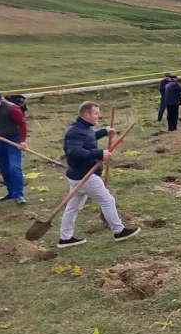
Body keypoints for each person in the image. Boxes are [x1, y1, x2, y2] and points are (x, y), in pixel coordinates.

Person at [57, 102, 140, 248]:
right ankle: (119, 231)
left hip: (78, 175)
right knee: (107, 201)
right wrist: (99, 153)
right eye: (96, 113)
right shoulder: (74, 132)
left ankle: (65, 238)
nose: (99, 116)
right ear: (86, 115)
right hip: (85, 175)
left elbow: (88, 139)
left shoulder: (84, 128)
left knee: (72, 207)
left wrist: (103, 131)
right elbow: (74, 151)